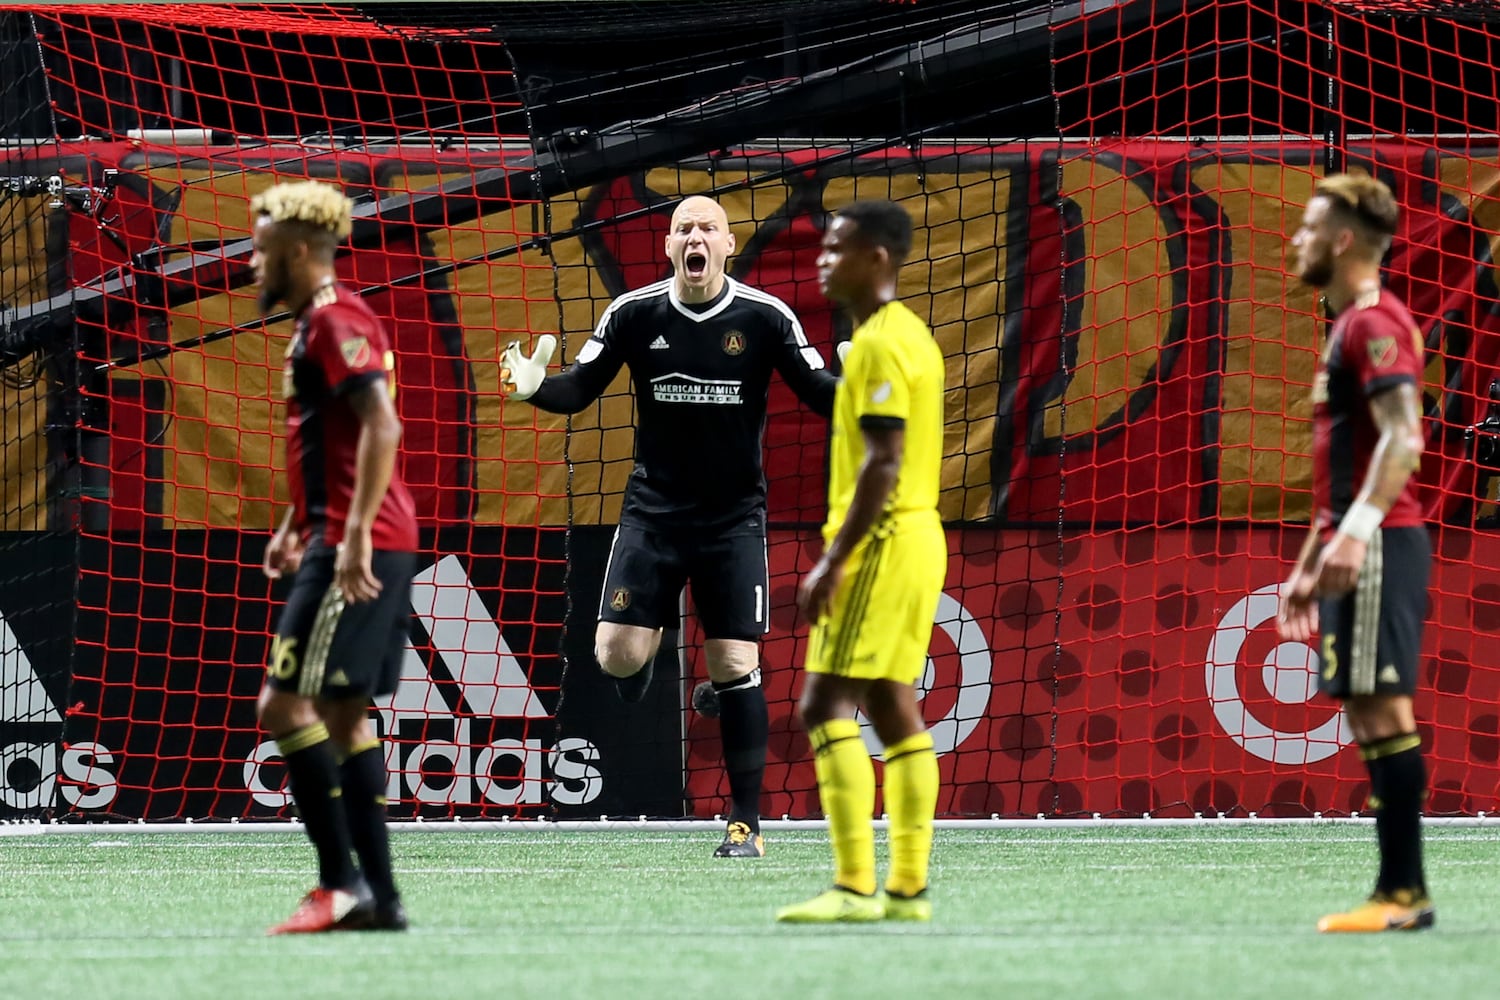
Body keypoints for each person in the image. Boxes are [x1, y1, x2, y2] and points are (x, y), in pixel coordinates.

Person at [502, 195, 840, 857]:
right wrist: (536, 385)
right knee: (615, 658)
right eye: (684, 228)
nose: (696, 238)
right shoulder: (633, 314)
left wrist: (869, 383)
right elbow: (578, 389)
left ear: (727, 244)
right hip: (652, 515)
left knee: (736, 664)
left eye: (708, 228)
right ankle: (640, 664)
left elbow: (820, 390)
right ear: (669, 246)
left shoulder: (766, 317)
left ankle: (746, 826)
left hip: (732, 521)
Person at [251, 180, 417, 934]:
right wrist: (296, 521)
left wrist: (345, 536)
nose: (254, 268)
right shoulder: (315, 323)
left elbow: (382, 428)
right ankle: (379, 899)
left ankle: (339, 884)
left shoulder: (332, 318)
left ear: (293, 252)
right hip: (348, 530)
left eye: (259, 253)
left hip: (360, 540)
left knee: (284, 705)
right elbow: (335, 442)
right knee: (348, 713)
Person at [775, 200, 945, 924]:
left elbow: (884, 460)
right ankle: (906, 891)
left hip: (880, 541)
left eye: (837, 247)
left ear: (877, 258)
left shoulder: (878, 343)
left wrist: (834, 560)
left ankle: (854, 887)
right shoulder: (910, 334)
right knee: (890, 705)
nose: (822, 259)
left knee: (822, 703)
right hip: (915, 536)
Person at [1277, 171, 1433, 933]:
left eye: (1308, 229)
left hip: (1384, 541)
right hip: (1361, 538)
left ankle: (1403, 895)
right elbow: (1347, 465)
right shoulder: (1344, 327)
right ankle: (1398, 893)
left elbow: (1407, 438)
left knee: (1383, 709)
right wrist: (1311, 563)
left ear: (1342, 241)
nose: (1295, 241)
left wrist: (1355, 533)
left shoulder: (1375, 322)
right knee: (1370, 715)